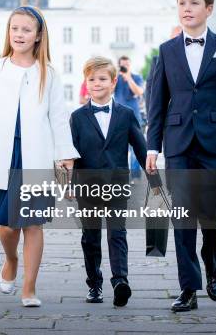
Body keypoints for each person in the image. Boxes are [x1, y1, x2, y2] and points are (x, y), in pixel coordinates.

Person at [0, 5, 78, 307]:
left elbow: (59, 117)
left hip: (36, 158)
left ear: (38, 36)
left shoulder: (48, 74)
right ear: (8, 33)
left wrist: (66, 156)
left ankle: (29, 288)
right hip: (3, 155)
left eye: (27, 30)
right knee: (7, 226)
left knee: (33, 224)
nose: (20, 34)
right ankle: (11, 259)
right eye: (15, 29)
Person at [146, 0, 216, 312]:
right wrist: (152, 146)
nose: (187, 9)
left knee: (213, 214)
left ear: (208, 8)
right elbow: (157, 101)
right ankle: (188, 288)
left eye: (193, 3)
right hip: (179, 144)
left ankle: (212, 258)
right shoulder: (167, 50)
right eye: (182, 4)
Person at [70, 56, 151, 307]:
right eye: (91, 79)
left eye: (102, 79)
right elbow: (68, 154)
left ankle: (120, 281)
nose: (96, 83)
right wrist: (67, 184)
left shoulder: (126, 115)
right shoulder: (77, 117)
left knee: (118, 232)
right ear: (86, 82)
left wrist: (156, 181)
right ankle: (94, 284)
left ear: (114, 82)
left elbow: (141, 149)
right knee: (90, 236)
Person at [113, 56, 144, 179]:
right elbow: (109, 91)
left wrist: (129, 78)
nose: (125, 67)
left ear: (130, 65)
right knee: (118, 147)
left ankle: (135, 176)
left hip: (134, 116)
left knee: (135, 146)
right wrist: (115, 74)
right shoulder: (115, 79)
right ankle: (121, 175)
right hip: (118, 116)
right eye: (123, 65)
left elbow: (139, 92)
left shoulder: (136, 77)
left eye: (127, 64)